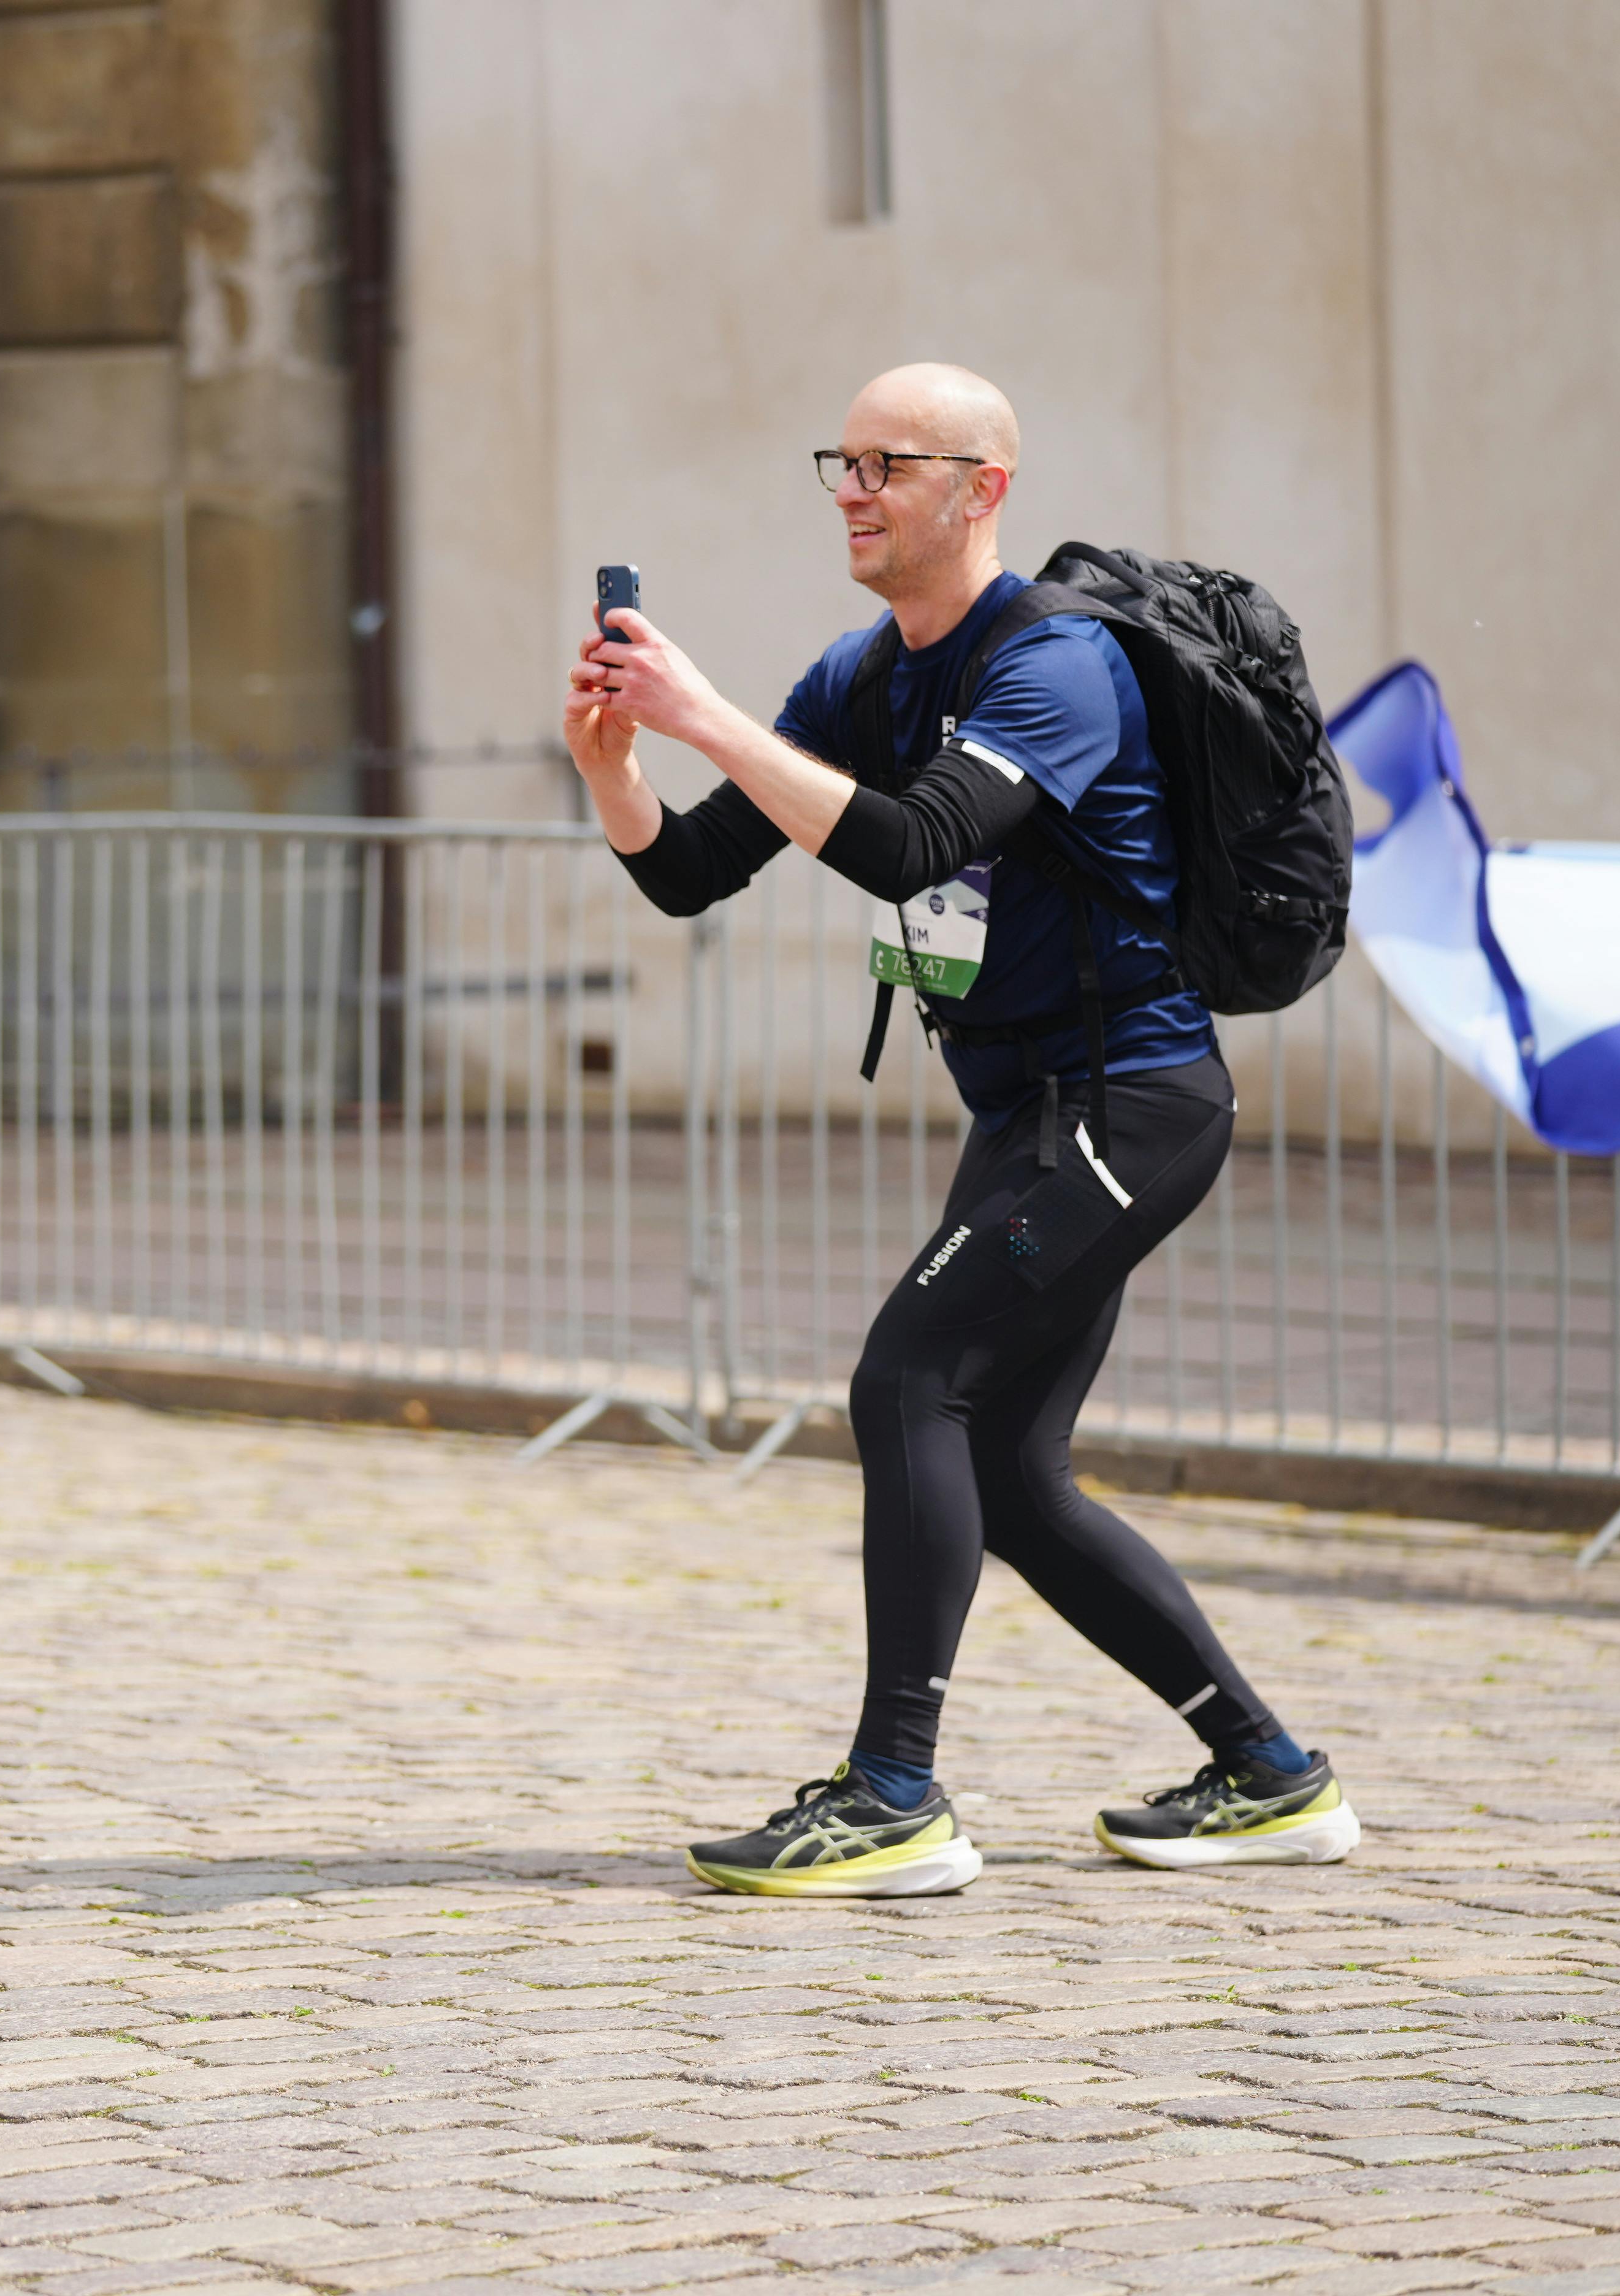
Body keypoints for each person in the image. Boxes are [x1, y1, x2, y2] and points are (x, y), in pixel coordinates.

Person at [567, 362, 1359, 1895]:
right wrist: (619, 772)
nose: (854, 490)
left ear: (982, 489)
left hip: (1135, 1097)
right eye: (841, 463)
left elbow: (916, 843)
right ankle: (1269, 1772)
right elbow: (692, 873)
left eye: (890, 463)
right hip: (1025, 1114)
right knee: (1005, 1464)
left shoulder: (1054, 668)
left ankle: (894, 1795)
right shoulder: (861, 676)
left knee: (910, 1379)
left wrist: (709, 714)